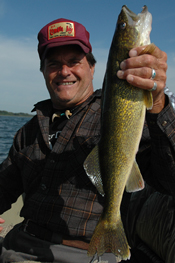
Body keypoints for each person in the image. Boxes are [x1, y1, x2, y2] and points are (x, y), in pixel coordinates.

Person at [0, 17, 174, 263]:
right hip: (17, 246)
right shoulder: (28, 131)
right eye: (53, 63)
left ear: (92, 68)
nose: (64, 71)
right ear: (42, 70)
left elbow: (170, 179)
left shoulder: (118, 115)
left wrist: (157, 103)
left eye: (74, 62)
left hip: (86, 254)